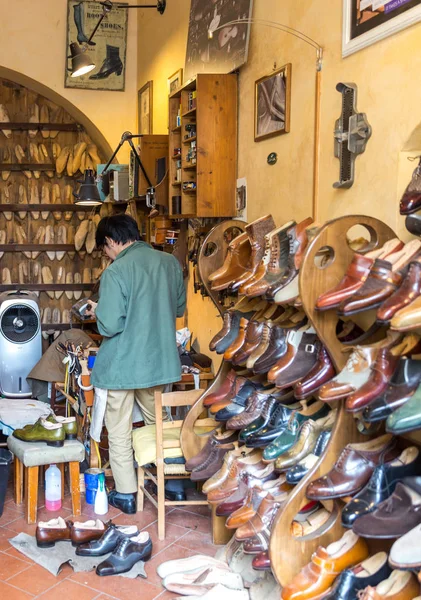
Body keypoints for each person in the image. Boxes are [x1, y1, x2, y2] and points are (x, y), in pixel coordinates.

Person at [88, 214, 186, 514]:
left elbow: (109, 326)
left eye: (104, 248)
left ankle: (128, 494)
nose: (106, 254)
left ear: (111, 241)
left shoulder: (116, 272)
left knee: (118, 430)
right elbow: (179, 308)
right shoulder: (169, 263)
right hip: (159, 362)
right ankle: (172, 484)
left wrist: (97, 311)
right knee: (160, 424)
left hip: (121, 366)